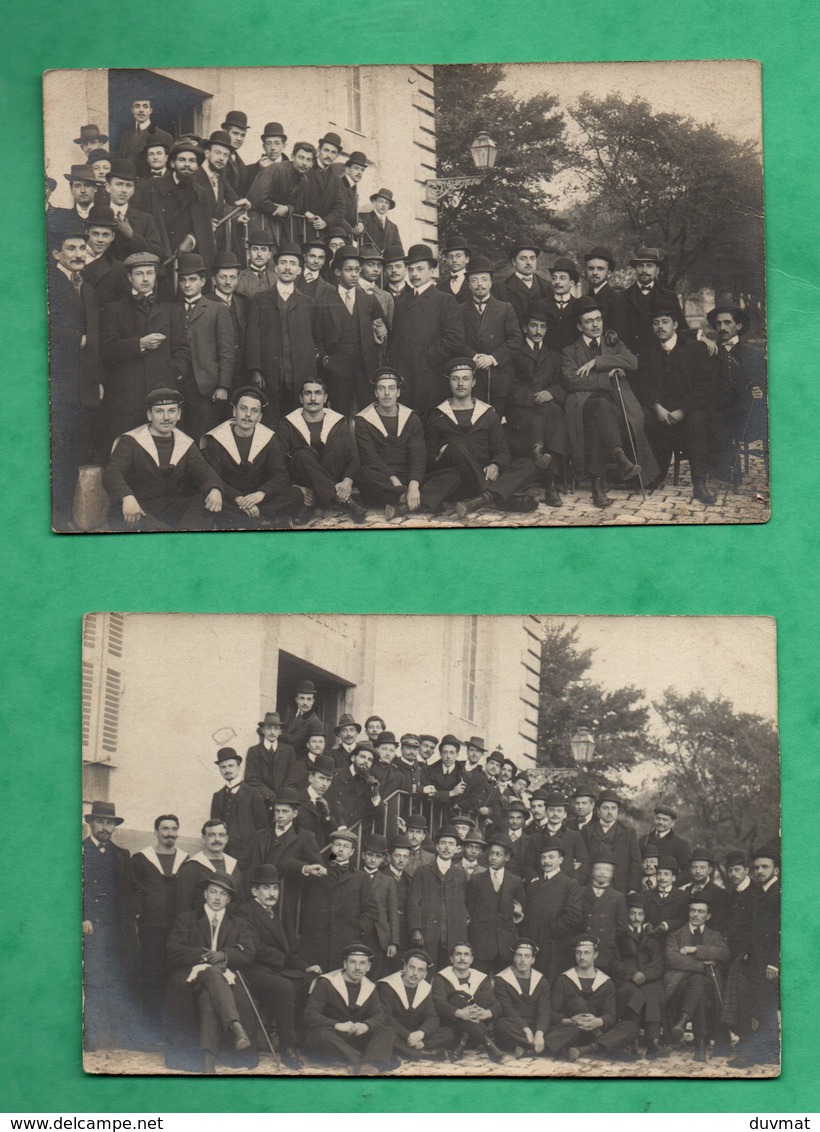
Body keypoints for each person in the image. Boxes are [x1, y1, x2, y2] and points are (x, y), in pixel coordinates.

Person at [561, 297, 659, 509]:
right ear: (579, 326)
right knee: (600, 408)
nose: (596, 325)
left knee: (602, 416)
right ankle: (619, 458)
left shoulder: (614, 344)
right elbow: (572, 380)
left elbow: (633, 362)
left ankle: (600, 482)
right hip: (584, 406)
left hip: (614, 407)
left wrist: (598, 361)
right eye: (589, 321)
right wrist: (607, 377)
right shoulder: (569, 351)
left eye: (598, 319)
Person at [163, 871, 258, 1073]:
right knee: (211, 974)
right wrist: (203, 956)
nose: (217, 898)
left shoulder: (239, 923)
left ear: (229, 899)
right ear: (205, 894)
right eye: (213, 892)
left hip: (225, 976)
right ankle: (235, 1026)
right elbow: (173, 949)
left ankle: (207, 1057)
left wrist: (224, 955)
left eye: (223, 894)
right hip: (192, 974)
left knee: (209, 992)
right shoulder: (186, 919)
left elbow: (249, 952)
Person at [426, 358, 537, 520]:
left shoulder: (488, 414)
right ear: (449, 382)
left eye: (466, 378)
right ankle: (494, 496)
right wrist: (440, 456)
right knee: (455, 446)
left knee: (527, 464)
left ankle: (480, 499)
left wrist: (495, 464)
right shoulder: (438, 416)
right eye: (455, 379)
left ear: (474, 382)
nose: (460, 384)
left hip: (485, 473)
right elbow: (427, 458)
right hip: (458, 481)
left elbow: (502, 452)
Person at [99, 251, 189, 446]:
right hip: (126, 394)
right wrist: (139, 344)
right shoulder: (113, 310)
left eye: (150, 272)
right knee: (126, 446)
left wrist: (174, 372)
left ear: (156, 275)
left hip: (162, 390)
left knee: (161, 447)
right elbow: (106, 350)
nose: (146, 278)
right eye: (139, 273)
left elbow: (182, 349)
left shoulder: (171, 310)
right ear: (130, 277)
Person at [102, 387, 223, 531]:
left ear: (179, 414)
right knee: (129, 518)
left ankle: (178, 538)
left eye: (171, 410)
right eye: (159, 411)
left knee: (205, 498)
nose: (166, 417)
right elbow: (112, 473)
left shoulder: (185, 443)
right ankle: (183, 539)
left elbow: (204, 471)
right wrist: (127, 497)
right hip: (136, 506)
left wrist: (215, 489)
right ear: (149, 415)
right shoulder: (131, 441)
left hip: (170, 508)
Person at [48, 224, 104, 528]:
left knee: (76, 451)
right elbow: (37, 327)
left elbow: (95, 337)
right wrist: (75, 338)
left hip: (83, 385)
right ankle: (59, 517)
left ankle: (69, 516)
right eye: (71, 248)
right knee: (60, 454)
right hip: (58, 384)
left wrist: (97, 380)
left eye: (82, 248)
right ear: (57, 253)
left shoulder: (87, 287)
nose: (79, 254)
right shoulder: (49, 283)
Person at [234, 863, 315, 1069]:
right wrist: (284, 960)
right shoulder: (245, 912)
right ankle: (287, 1048)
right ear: (254, 891)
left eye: (275, 888)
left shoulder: (276, 912)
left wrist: (306, 967)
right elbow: (256, 948)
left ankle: (302, 1039)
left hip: (273, 969)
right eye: (266, 888)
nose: (272, 893)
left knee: (312, 982)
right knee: (284, 987)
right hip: (252, 970)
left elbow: (290, 949)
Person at [354, 367, 460, 520]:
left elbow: (417, 453)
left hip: (409, 476)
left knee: (453, 474)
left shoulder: (411, 417)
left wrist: (413, 484)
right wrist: (394, 480)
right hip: (383, 479)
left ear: (398, 392)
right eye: (381, 389)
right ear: (375, 393)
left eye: (391, 388)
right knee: (363, 475)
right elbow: (369, 456)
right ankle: (423, 500)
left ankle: (403, 502)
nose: (387, 393)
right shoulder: (363, 419)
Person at [638, 303, 716, 503]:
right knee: (643, 417)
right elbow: (644, 384)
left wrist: (683, 410)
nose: (660, 327)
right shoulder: (648, 352)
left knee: (697, 419)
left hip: (687, 410)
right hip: (661, 409)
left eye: (665, 322)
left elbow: (705, 386)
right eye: (655, 323)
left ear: (675, 325)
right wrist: (656, 407)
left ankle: (699, 483)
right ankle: (654, 473)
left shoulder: (694, 348)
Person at [200, 385, 305, 528]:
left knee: (296, 494)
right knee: (207, 499)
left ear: (260, 417)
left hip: (258, 496)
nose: (248, 415)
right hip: (230, 496)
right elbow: (213, 476)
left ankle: (244, 521)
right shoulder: (217, 438)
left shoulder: (268, 438)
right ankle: (264, 522)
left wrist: (260, 495)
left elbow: (281, 474)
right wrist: (238, 498)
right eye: (243, 409)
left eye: (254, 411)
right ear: (234, 411)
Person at [82, 801, 139, 1051]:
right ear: (91, 823)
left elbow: (133, 889)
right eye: (100, 822)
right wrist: (84, 917)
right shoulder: (80, 851)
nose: (105, 828)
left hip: (117, 929)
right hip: (92, 927)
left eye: (109, 823)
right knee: (94, 979)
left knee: (119, 979)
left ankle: (117, 1035)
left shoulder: (121, 855)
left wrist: (133, 914)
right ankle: (91, 1036)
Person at [388, 244, 465, 416]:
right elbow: (395, 340)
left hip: (431, 377)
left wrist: (428, 357)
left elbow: (455, 338)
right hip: (404, 378)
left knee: (430, 425)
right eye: (411, 269)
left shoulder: (444, 300)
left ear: (432, 272)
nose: (414, 274)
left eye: (420, 269)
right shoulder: (401, 302)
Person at [245, 242, 318, 422]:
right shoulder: (260, 299)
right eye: (283, 263)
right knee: (270, 420)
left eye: (292, 264)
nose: (287, 268)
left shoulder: (308, 302)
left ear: (299, 270)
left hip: (299, 375)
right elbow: (252, 337)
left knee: (297, 421)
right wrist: (255, 369)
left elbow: (316, 339)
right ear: (276, 268)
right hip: (270, 374)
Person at [505, 300, 567, 508]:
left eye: (542, 326)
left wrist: (550, 392)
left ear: (547, 329)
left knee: (552, 410)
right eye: (534, 326)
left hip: (547, 408)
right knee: (552, 415)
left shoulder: (554, 356)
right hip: (522, 410)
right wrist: (532, 398)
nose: (538, 331)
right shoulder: (514, 353)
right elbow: (508, 386)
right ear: (525, 328)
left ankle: (539, 451)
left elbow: (562, 384)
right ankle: (551, 484)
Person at [277, 377, 366, 522]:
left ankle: (312, 505)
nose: (313, 398)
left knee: (339, 445)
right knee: (301, 454)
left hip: (333, 475)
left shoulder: (337, 422)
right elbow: (279, 462)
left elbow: (354, 457)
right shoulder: (287, 424)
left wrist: (347, 481)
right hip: (302, 480)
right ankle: (345, 502)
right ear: (301, 398)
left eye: (318, 393)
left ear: (325, 398)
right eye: (308, 393)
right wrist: (297, 487)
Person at [131, 815, 188, 1041]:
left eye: (174, 829)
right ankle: (150, 1033)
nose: (170, 834)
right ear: (155, 832)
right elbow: (135, 892)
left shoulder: (186, 860)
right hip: (151, 928)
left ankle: (171, 1032)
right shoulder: (141, 860)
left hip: (176, 931)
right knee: (152, 978)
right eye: (165, 829)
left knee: (173, 979)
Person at [313, 245, 387, 415]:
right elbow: (317, 339)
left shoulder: (369, 300)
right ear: (338, 273)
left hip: (365, 369)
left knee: (368, 414)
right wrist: (326, 361)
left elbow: (383, 331)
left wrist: (382, 334)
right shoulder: (324, 302)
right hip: (337, 372)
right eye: (348, 270)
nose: (354, 274)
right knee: (339, 415)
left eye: (357, 270)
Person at [299, 826, 382, 975]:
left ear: (352, 852)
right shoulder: (318, 873)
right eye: (337, 845)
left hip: (346, 942)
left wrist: (356, 929)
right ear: (331, 847)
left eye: (346, 846)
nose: (341, 850)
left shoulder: (360, 877)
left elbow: (371, 910)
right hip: (317, 942)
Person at [303, 942, 395, 1074]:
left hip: (354, 1038)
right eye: (353, 962)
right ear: (345, 964)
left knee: (387, 1030)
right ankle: (367, 1062)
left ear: (368, 967)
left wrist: (366, 1025)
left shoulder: (369, 987)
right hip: (333, 1036)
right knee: (320, 1035)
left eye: (362, 963)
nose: (358, 968)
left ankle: (360, 1062)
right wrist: (336, 1025)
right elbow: (310, 1015)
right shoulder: (326, 983)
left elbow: (380, 1015)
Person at [544, 933, 638, 1061]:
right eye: (578, 953)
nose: (582, 957)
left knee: (630, 1026)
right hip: (573, 1031)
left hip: (596, 1028)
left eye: (587, 953)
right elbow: (552, 1013)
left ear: (595, 955)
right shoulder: (563, 980)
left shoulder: (606, 982)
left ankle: (585, 1049)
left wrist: (597, 1022)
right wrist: (569, 1021)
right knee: (577, 1002)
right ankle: (604, 1044)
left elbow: (610, 1015)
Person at [242, 788, 325, 933]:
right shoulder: (260, 835)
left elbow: (317, 868)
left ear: (295, 813)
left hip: (284, 902)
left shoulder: (305, 837)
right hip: (255, 900)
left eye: (285, 811)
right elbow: (244, 863)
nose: (280, 815)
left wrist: (303, 868)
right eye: (277, 811)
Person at [728, 845, 780, 1067]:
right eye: (757, 867)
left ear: (775, 870)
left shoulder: (779, 893)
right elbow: (755, 928)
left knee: (767, 1005)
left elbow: (781, 930)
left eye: (765, 867)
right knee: (759, 1005)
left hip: (770, 963)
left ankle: (761, 1052)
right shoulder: (760, 892)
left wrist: (774, 963)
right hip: (757, 960)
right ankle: (769, 1050)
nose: (760, 871)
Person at [704, 304, 768, 482]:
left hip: (744, 409)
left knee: (724, 419)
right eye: (718, 324)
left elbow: (760, 381)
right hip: (718, 407)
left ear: (738, 326)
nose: (722, 328)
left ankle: (728, 469)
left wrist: (759, 390)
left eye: (727, 323)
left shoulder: (752, 354)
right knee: (711, 416)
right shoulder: (709, 353)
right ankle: (726, 469)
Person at [175, 251, 235, 439]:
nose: (187, 285)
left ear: (203, 282)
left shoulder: (216, 309)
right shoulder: (172, 309)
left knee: (204, 434)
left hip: (206, 385)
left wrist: (223, 385)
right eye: (183, 280)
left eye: (192, 279)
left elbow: (226, 351)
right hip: (178, 382)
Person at [664, 896, 730, 1062]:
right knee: (698, 983)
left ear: (707, 916)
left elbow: (724, 953)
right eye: (693, 910)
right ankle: (699, 1043)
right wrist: (704, 966)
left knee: (699, 987)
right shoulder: (676, 935)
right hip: (681, 983)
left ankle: (689, 1029)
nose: (695, 915)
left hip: (709, 987)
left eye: (700, 911)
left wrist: (695, 949)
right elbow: (671, 958)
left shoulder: (715, 935)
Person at [138, 140, 218, 277]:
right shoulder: (153, 186)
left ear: (197, 166)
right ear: (172, 163)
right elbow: (144, 222)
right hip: (158, 257)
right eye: (182, 160)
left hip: (187, 261)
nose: (187, 164)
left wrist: (191, 239)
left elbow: (203, 228)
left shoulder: (200, 192)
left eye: (192, 161)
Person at [459, 256, 522, 417]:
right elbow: (456, 340)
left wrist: (493, 359)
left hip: (498, 378)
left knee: (496, 425)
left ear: (491, 282)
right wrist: (473, 356)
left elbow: (516, 340)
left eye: (484, 279)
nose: (479, 284)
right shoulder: (459, 310)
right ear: (468, 284)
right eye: (474, 280)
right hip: (470, 375)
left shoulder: (505, 308)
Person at [408, 825, 470, 969]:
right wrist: (416, 929)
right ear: (436, 846)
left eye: (451, 844)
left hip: (453, 934)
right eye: (443, 843)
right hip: (428, 933)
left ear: (457, 849)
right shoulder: (423, 872)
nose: (447, 848)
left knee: (448, 973)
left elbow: (466, 904)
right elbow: (413, 902)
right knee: (427, 970)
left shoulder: (461, 875)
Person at [611, 893, 666, 1057]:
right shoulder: (619, 936)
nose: (637, 918)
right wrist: (632, 974)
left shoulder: (652, 936)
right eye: (633, 913)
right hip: (626, 979)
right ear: (627, 914)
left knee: (653, 992)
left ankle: (653, 1042)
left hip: (648, 979)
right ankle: (631, 1042)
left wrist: (644, 974)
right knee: (633, 994)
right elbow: (614, 962)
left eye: (640, 914)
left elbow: (658, 962)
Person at [431, 942, 504, 1062]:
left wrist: (486, 1013)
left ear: (471, 959)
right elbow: (438, 1004)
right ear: (451, 958)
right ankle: (487, 1042)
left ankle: (463, 1043)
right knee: (457, 998)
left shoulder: (480, 978)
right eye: (458, 954)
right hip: (454, 1028)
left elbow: (497, 1005)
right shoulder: (441, 978)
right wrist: (459, 1013)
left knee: (484, 997)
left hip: (473, 1033)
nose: (462, 958)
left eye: (466, 954)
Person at [523, 839, 584, 982]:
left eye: (551, 857)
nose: (546, 861)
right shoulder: (534, 886)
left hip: (555, 948)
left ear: (561, 860)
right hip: (534, 947)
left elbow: (573, 915)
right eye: (543, 857)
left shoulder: (570, 884)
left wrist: (550, 933)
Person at [377, 948, 452, 1060]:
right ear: (404, 968)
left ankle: (407, 1050)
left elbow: (432, 1017)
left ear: (425, 974)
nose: (415, 973)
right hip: (397, 1032)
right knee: (384, 1035)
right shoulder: (388, 986)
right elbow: (386, 1017)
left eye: (420, 970)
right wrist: (407, 1036)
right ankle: (422, 1054)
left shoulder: (425, 989)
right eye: (412, 968)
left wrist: (421, 1033)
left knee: (448, 1033)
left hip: (415, 1032)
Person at [466, 834, 526, 973]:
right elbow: (470, 908)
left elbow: (521, 910)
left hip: (505, 945)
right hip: (481, 943)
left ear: (507, 857)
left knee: (503, 982)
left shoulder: (515, 881)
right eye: (491, 853)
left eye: (498, 854)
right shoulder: (476, 880)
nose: (493, 858)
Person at [620, 247, 689, 358]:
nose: (644, 271)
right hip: (631, 360)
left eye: (649, 266)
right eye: (640, 266)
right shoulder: (622, 297)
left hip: (660, 360)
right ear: (635, 269)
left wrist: (699, 336)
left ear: (657, 270)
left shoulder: (669, 297)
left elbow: (681, 328)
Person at [210, 747, 268, 871]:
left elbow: (263, 828)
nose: (227, 770)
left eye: (231, 766)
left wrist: (255, 855)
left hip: (249, 856)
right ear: (219, 770)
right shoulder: (218, 796)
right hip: (224, 855)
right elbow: (213, 828)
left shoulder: (253, 793)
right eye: (223, 767)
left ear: (239, 767)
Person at [247, 140, 314, 245]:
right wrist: (278, 211)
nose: (304, 163)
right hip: (260, 222)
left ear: (312, 163)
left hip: (280, 226)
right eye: (301, 157)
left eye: (308, 160)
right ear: (292, 157)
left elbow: (298, 205)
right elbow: (259, 199)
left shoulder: (304, 180)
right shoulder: (275, 169)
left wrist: (287, 208)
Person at [493, 938, 552, 1057]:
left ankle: (527, 1049)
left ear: (533, 960)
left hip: (535, 1025)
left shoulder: (541, 980)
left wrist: (539, 1033)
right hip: (514, 1025)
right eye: (519, 956)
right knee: (501, 1026)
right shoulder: (502, 979)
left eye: (527, 956)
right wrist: (526, 1029)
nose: (523, 960)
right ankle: (547, 1047)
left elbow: (544, 1010)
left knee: (571, 1029)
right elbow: (507, 1009)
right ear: (514, 958)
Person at [581, 789, 641, 895]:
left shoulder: (628, 832)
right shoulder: (587, 830)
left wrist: (633, 888)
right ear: (598, 811)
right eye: (606, 808)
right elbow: (582, 860)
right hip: (591, 885)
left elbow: (635, 862)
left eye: (613, 808)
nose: (610, 812)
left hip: (620, 887)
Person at [175, 819, 241, 913]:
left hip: (229, 924)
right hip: (200, 924)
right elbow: (183, 907)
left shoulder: (234, 866)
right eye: (212, 835)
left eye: (221, 835)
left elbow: (238, 901)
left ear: (226, 839)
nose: (217, 839)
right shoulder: (191, 867)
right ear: (204, 839)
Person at [525, 790, 590, 885]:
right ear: (546, 812)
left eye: (559, 810)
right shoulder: (535, 838)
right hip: (542, 887)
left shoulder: (574, 836)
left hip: (566, 889)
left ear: (564, 814)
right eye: (551, 810)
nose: (555, 814)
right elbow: (528, 865)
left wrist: (573, 882)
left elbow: (584, 864)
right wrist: (535, 880)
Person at [104, 158, 164, 262]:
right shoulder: (99, 213)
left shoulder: (146, 220)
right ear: (108, 187)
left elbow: (157, 253)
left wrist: (132, 236)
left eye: (128, 185)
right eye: (119, 184)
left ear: (133, 190)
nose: (123, 190)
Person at [579, 853, 629, 975]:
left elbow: (621, 928)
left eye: (607, 869)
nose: (602, 872)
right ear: (592, 871)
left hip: (606, 951)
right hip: (582, 949)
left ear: (612, 873)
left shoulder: (618, 897)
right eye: (598, 868)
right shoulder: (580, 892)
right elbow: (575, 921)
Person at [359, 834, 400, 979]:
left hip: (379, 935)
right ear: (363, 855)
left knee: (376, 971)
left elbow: (393, 913)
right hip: (359, 932)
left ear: (383, 859)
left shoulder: (388, 881)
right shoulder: (354, 876)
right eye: (370, 855)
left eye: (377, 856)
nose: (373, 859)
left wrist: (394, 942)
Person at [208, 253, 251, 388]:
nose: (228, 282)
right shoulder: (205, 302)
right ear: (214, 280)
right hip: (214, 372)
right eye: (223, 277)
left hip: (241, 372)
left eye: (232, 277)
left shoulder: (244, 302)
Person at [243, 710, 298, 810]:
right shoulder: (253, 751)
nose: (272, 732)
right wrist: (270, 795)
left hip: (283, 803)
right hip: (260, 803)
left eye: (276, 728)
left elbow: (292, 777)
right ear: (263, 730)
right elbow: (250, 778)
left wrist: (282, 796)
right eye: (269, 728)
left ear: (280, 731)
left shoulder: (288, 750)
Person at [495, 235, 552, 326]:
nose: (529, 262)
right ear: (514, 262)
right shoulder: (499, 289)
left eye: (532, 258)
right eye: (523, 258)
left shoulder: (547, 287)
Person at [81, 205, 130, 307]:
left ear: (112, 236)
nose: (100, 240)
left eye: (105, 235)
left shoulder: (119, 269)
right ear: (86, 233)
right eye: (95, 234)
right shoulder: (72, 258)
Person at [116, 96, 174, 179]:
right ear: (132, 110)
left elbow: (170, 167)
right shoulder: (125, 134)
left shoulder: (164, 136)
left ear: (150, 110)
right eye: (137, 106)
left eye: (145, 106)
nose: (141, 110)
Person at [331, 743, 383, 830]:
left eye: (370, 760)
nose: (366, 761)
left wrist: (375, 794)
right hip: (333, 831)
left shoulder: (371, 783)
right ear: (353, 758)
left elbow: (379, 815)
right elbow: (330, 803)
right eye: (362, 757)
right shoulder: (335, 776)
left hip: (355, 834)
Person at [301, 131, 346, 233]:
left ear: (337, 156)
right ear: (318, 150)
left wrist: (326, 222)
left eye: (333, 152)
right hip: (299, 228)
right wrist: (304, 212)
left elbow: (339, 208)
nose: (329, 155)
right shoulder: (305, 168)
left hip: (321, 233)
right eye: (326, 150)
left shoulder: (336, 180)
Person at [294, 753, 341, 845]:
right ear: (311, 777)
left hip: (321, 855)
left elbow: (333, 834)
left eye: (328, 780)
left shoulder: (328, 802)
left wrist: (327, 814)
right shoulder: (297, 799)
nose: (325, 784)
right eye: (321, 778)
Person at [639, 803, 692, 883]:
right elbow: (636, 866)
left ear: (672, 823)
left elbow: (687, 872)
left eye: (665, 820)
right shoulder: (643, 840)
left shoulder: (681, 843)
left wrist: (668, 884)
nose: (660, 822)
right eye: (658, 818)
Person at [681, 848, 729, 932]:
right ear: (690, 869)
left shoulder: (720, 893)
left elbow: (719, 924)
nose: (698, 871)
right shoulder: (687, 890)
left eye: (702, 867)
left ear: (709, 870)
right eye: (694, 867)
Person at [643, 855, 690, 937]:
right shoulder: (646, 895)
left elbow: (684, 919)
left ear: (674, 878)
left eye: (666, 874)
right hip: (650, 939)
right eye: (659, 874)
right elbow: (642, 917)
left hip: (674, 939)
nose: (662, 878)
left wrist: (666, 925)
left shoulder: (683, 896)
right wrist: (646, 926)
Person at [583, 246, 624, 335]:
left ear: (609, 273)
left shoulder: (617, 299)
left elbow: (619, 335)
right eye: (591, 268)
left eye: (600, 269)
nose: (594, 273)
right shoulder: (584, 299)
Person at [543, 257, 583, 349]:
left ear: (572, 283)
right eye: (554, 278)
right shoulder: (543, 305)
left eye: (562, 278)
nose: (557, 282)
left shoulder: (579, 305)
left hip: (573, 359)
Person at [280, 679, 323, 753]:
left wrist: (277, 734)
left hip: (300, 762)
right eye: (302, 698)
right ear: (296, 699)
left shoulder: (315, 722)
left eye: (309, 699)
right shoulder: (289, 715)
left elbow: (298, 741)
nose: (305, 703)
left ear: (313, 701)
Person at [236, 228, 277, 299]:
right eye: (255, 249)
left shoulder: (276, 279)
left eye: (263, 249)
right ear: (249, 253)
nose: (259, 254)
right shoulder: (238, 278)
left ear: (269, 255)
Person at [358, 247, 395, 327]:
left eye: (379, 265)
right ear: (360, 267)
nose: (376, 269)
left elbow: (389, 329)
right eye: (370, 265)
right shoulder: (350, 291)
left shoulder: (386, 297)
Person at [361, 188, 401, 253]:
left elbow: (398, 248)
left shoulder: (393, 227)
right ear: (374, 202)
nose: (383, 205)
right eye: (381, 201)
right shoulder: (364, 217)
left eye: (387, 203)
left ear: (389, 206)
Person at [220, 110, 250, 197]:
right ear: (225, 132)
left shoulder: (240, 162)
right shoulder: (215, 156)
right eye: (235, 133)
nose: (239, 139)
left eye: (242, 135)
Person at [338, 150, 368, 236]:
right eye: (356, 168)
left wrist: (359, 222)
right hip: (335, 232)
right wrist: (350, 229)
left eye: (362, 170)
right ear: (347, 170)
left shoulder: (354, 187)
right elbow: (336, 212)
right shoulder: (339, 185)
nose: (359, 172)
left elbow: (353, 213)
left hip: (345, 233)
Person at [299, 238, 335, 304]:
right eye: (312, 256)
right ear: (305, 257)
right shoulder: (293, 279)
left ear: (324, 261)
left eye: (320, 257)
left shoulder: (330, 289)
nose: (316, 261)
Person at [437, 234, 472, 303]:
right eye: (450, 257)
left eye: (458, 256)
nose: (454, 260)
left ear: (467, 259)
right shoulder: (440, 287)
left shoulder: (474, 283)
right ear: (446, 260)